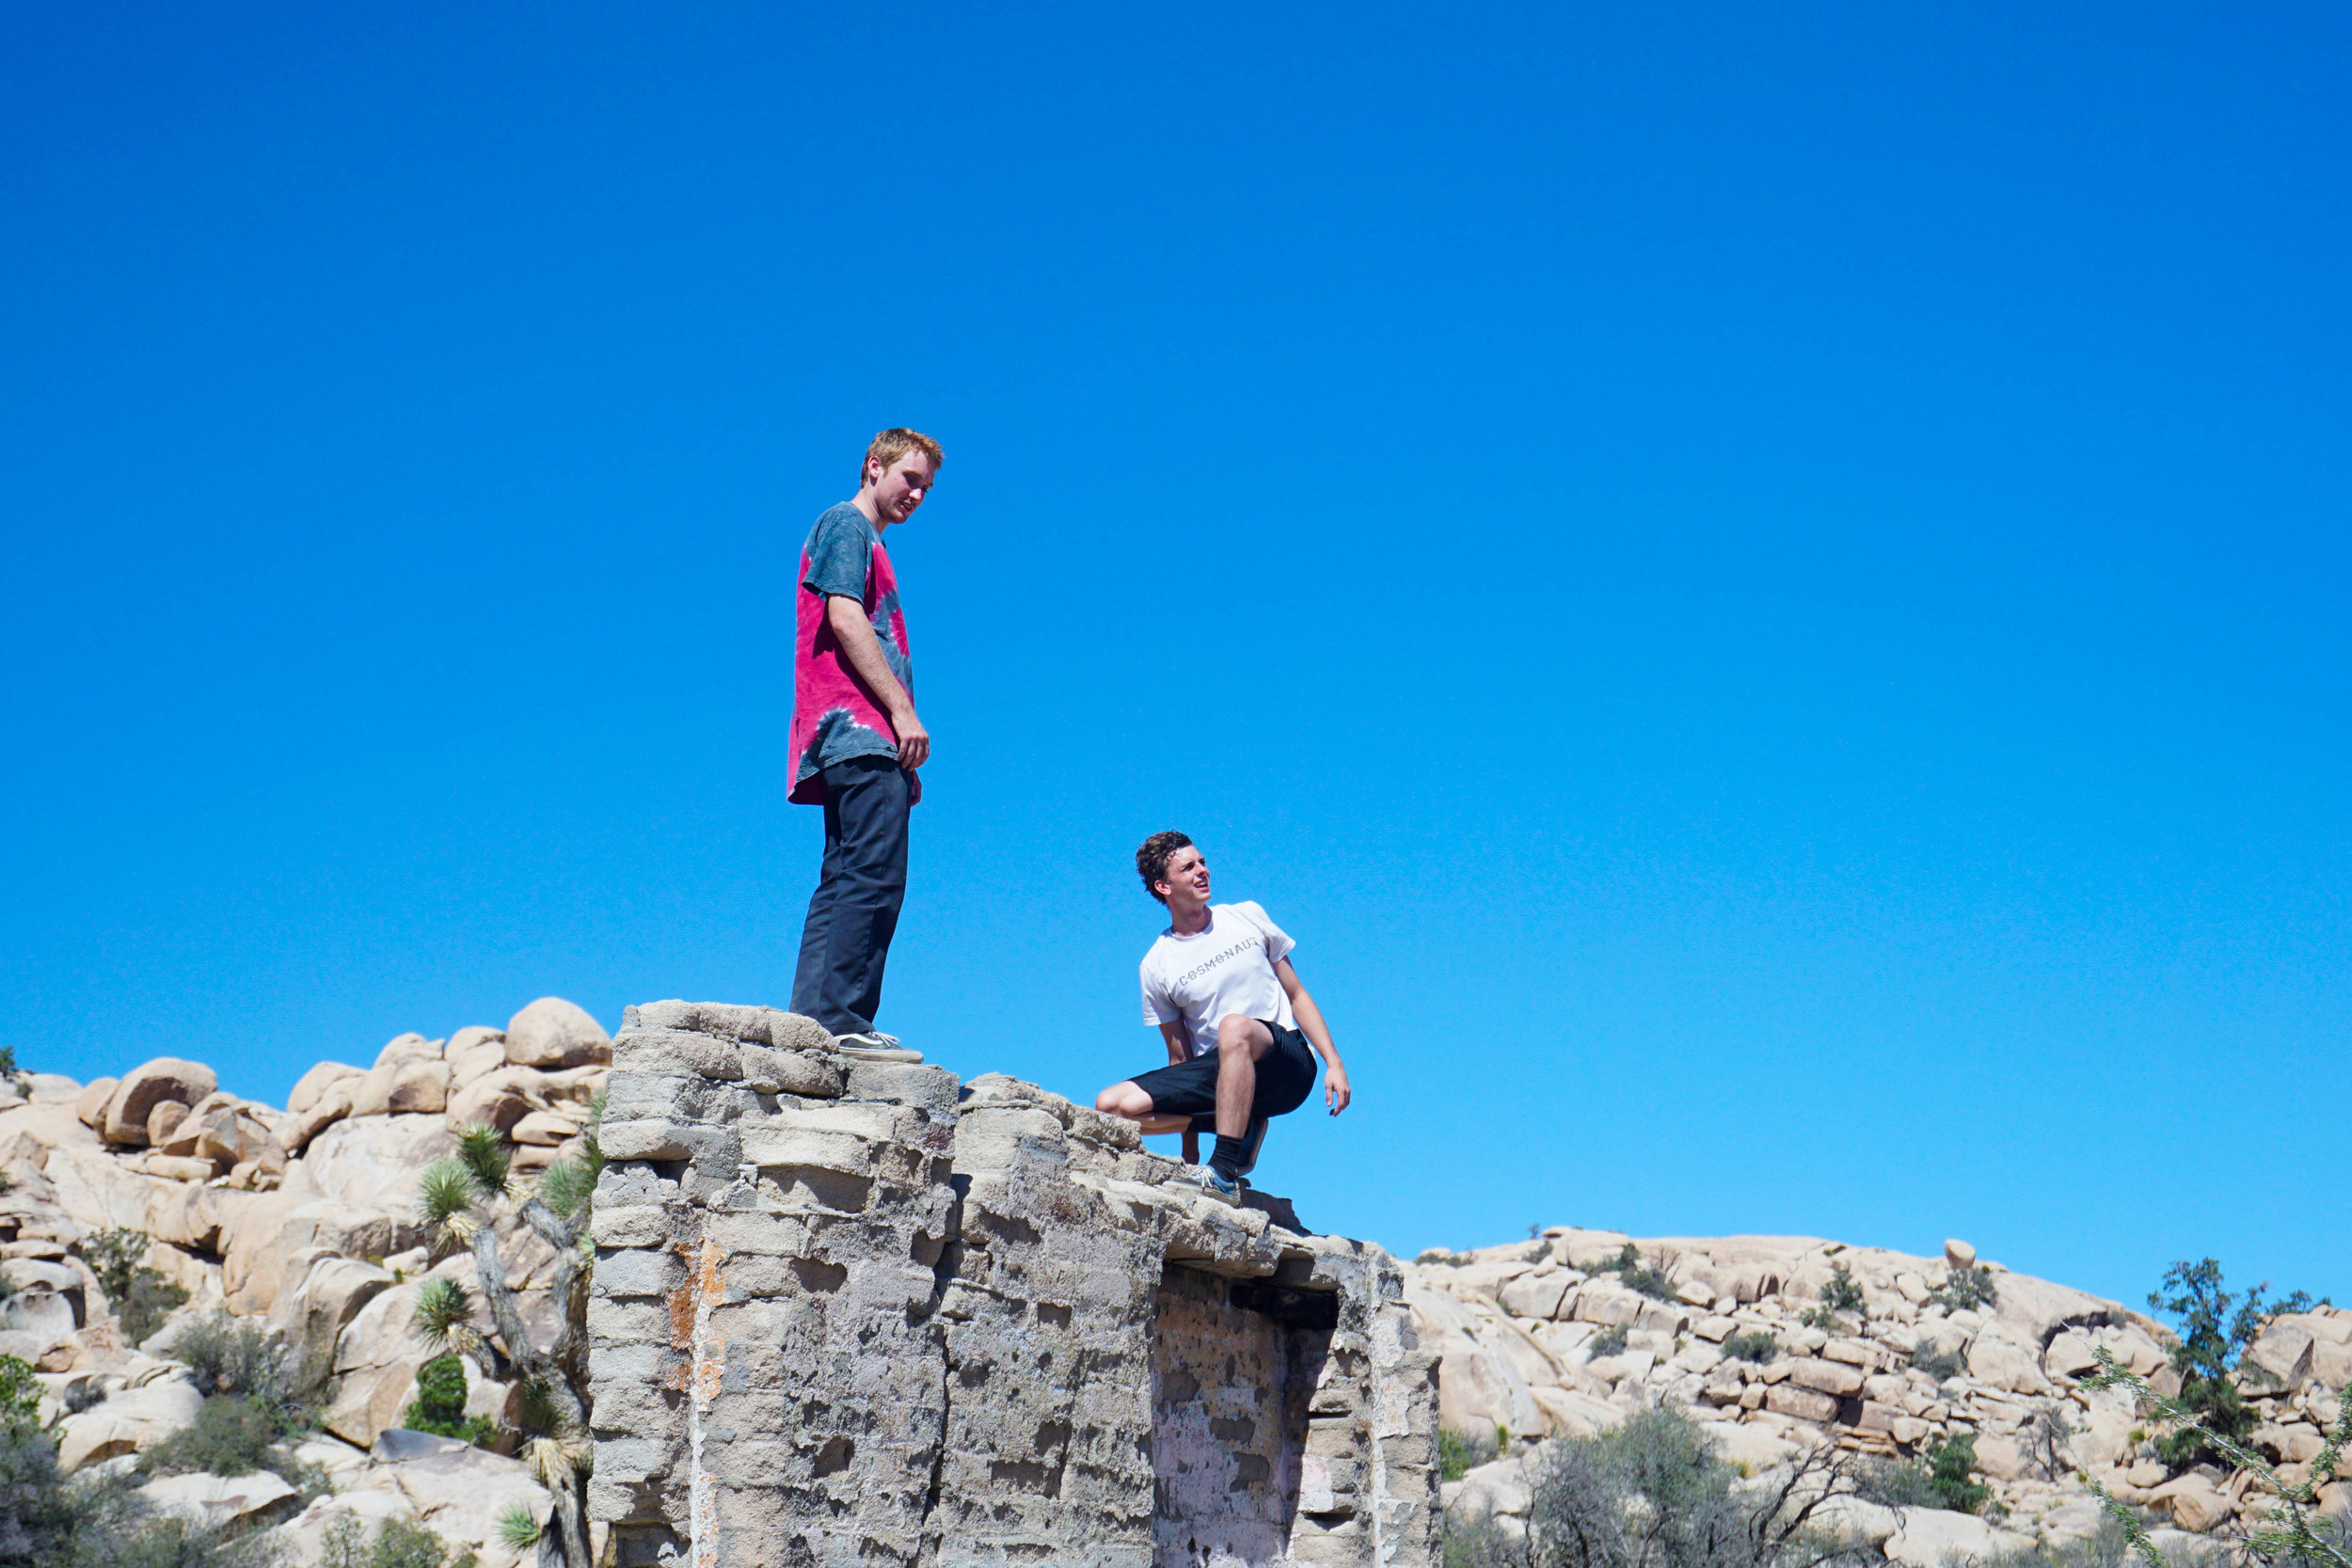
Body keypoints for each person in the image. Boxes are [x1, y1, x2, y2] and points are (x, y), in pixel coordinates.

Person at [787, 428, 942, 1056]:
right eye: (910, 478)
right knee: (874, 875)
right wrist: (902, 714)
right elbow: (846, 617)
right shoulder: (846, 525)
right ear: (873, 466)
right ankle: (844, 1019)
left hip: (852, 737)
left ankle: (815, 1023)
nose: (917, 495)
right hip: (859, 726)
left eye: (927, 488)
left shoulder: (865, 539)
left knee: (846, 874)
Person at [1094, 831, 1352, 1202]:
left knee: (1234, 1027)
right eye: (1189, 867)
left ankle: (1224, 1172)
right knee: (1111, 1106)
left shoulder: (1246, 916)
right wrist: (1189, 1153)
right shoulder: (1156, 964)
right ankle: (1238, 1127)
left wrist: (1334, 1062)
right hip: (1223, 1074)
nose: (1203, 871)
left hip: (1285, 1061)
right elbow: (1180, 1060)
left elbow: (1296, 994)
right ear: (1163, 886)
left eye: (1202, 862)